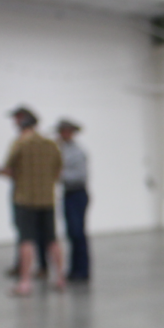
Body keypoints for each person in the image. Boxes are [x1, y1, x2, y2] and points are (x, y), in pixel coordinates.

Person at [0, 106, 64, 295]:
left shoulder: (20, 144)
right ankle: (59, 278)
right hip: (47, 199)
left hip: (24, 199)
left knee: (26, 240)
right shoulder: (51, 144)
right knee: (52, 240)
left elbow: (9, 169)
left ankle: (25, 283)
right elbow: (59, 171)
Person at [56, 119, 90, 282]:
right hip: (68, 194)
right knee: (71, 233)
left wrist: (59, 175)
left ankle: (82, 270)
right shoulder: (61, 149)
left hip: (77, 193)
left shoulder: (77, 152)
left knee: (77, 233)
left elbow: (80, 176)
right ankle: (74, 269)